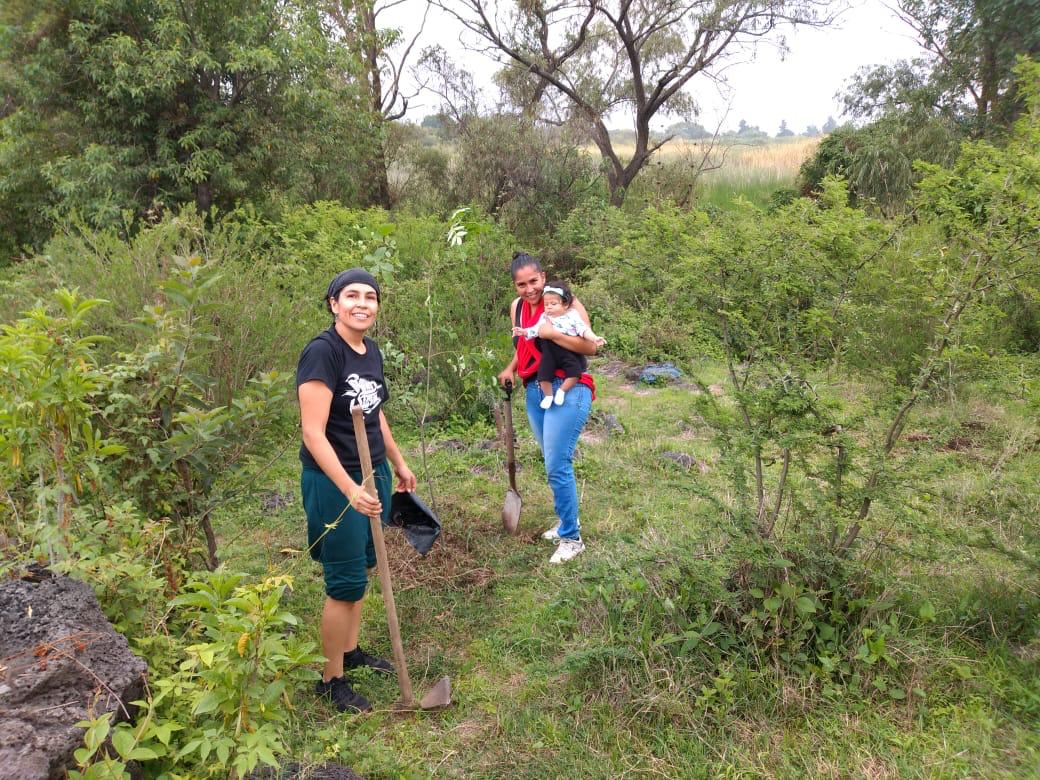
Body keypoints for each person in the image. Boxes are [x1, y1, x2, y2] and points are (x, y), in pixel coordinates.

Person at [297, 268, 417, 713]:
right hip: (335, 482)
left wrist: (398, 462)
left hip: (373, 471)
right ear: (334, 304)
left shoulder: (371, 350)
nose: (362, 303)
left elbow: (375, 413)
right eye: (352, 295)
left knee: (364, 565)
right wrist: (349, 489)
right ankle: (330, 679)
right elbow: (313, 433)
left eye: (370, 296)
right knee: (343, 581)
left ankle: (349, 651)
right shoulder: (322, 353)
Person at [497, 253, 598, 564]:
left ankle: (572, 539)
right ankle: (568, 520)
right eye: (521, 284)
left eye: (534, 281)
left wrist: (553, 334)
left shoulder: (563, 301)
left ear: (543, 276)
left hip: (568, 385)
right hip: (536, 388)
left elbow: (590, 346)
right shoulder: (517, 308)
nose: (530, 289)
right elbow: (525, 344)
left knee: (557, 463)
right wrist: (511, 368)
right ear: (514, 286)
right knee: (552, 460)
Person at [512, 279, 606, 410]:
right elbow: (535, 330)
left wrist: (595, 338)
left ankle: (562, 390)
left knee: (575, 372)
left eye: (553, 304)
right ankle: (548, 395)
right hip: (549, 353)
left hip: (567, 352)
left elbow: (583, 330)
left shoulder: (572, 316)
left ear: (565, 304)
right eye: (546, 304)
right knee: (543, 374)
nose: (549, 307)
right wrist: (524, 332)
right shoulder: (544, 317)